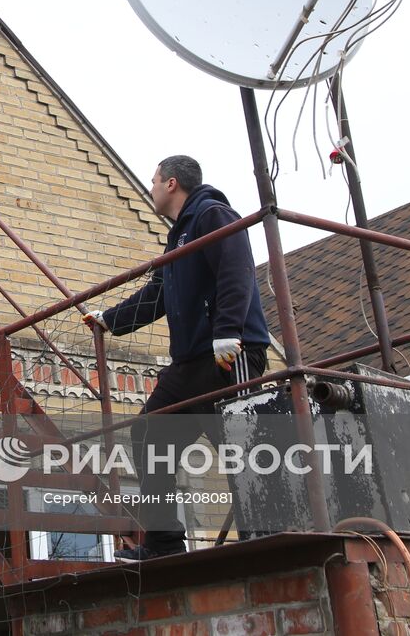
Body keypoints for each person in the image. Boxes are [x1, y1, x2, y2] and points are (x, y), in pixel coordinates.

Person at [84, 155, 271, 561]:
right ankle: (164, 545)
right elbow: (157, 296)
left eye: (153, 182)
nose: (150, 188)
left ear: (171, 184)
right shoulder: (178, 238)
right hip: (190, 362)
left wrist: (227, 331)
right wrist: (108, 321)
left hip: (229, 353)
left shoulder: (211, 213)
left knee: (243, 445)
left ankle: (269, 533)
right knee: (149, 433)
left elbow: (237, 268)